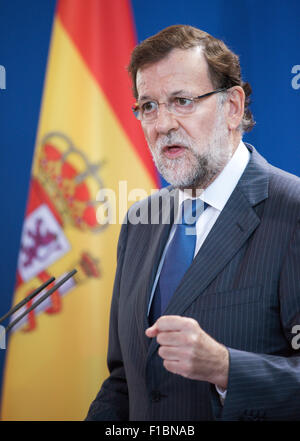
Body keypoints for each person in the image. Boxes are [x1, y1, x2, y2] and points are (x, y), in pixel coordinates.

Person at [86, 25, 300, 421]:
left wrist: (224, 367)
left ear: (233, 107)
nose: (162, 123)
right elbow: (123, 379)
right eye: (148, 106)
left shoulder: (292, 211)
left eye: (181, 101)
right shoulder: (140, 221)